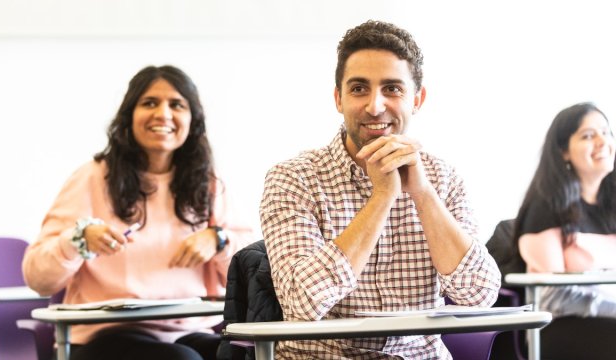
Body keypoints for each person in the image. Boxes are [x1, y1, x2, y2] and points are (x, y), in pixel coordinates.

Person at [259, 20, 501, 359]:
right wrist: (382, 197)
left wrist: (422, 193)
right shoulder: (293, 178)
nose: (375, 106)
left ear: (418, 99)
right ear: (338, 98)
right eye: (359, 89)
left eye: (392, 89)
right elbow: (303, 302)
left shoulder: (443, 178)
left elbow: (480, 293)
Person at [23, 65, 253, 360]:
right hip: (105, 337)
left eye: (177, 105)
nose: (164, 114)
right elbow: (37, 278)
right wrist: (77, 240)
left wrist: (219, 239)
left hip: (192, 332)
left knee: (247, 356)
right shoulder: (92, 177)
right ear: (129, 116)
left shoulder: (208, 183)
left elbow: (250, 275)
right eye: (149, 103)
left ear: (192, 119)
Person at [516, 102, 616, 319]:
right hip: (564, 326)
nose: (603, 142)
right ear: (564, 152)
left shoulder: (611, 205)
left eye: (607, 132)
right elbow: (555, 298)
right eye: (588, 136)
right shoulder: (545, 207)